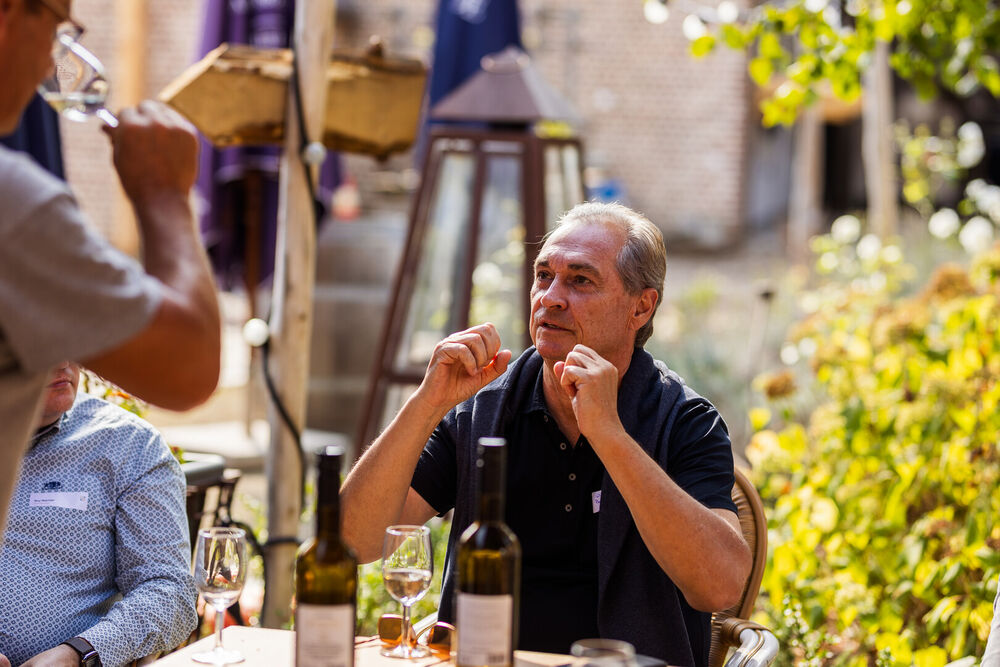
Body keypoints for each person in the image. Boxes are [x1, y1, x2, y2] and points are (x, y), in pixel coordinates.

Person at [341, 202, 752, 667]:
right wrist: (426, 404)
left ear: (641, 306)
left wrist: (609, 435)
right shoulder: (485, 410)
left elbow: (718, 585)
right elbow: (356, 541)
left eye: (580, 280)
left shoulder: (686, 422)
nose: (550, 297)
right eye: (543, 276)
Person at [0, 0, 221, 551]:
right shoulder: (12, 206)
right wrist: (165, 195)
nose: (52, 65)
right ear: (9, 14)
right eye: (57, 28)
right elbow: (187, 368)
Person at [0, 362, 197, 667]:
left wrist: (80, 654)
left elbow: (170, 592)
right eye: (44, 343)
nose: (64, 359)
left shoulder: (128, 445)